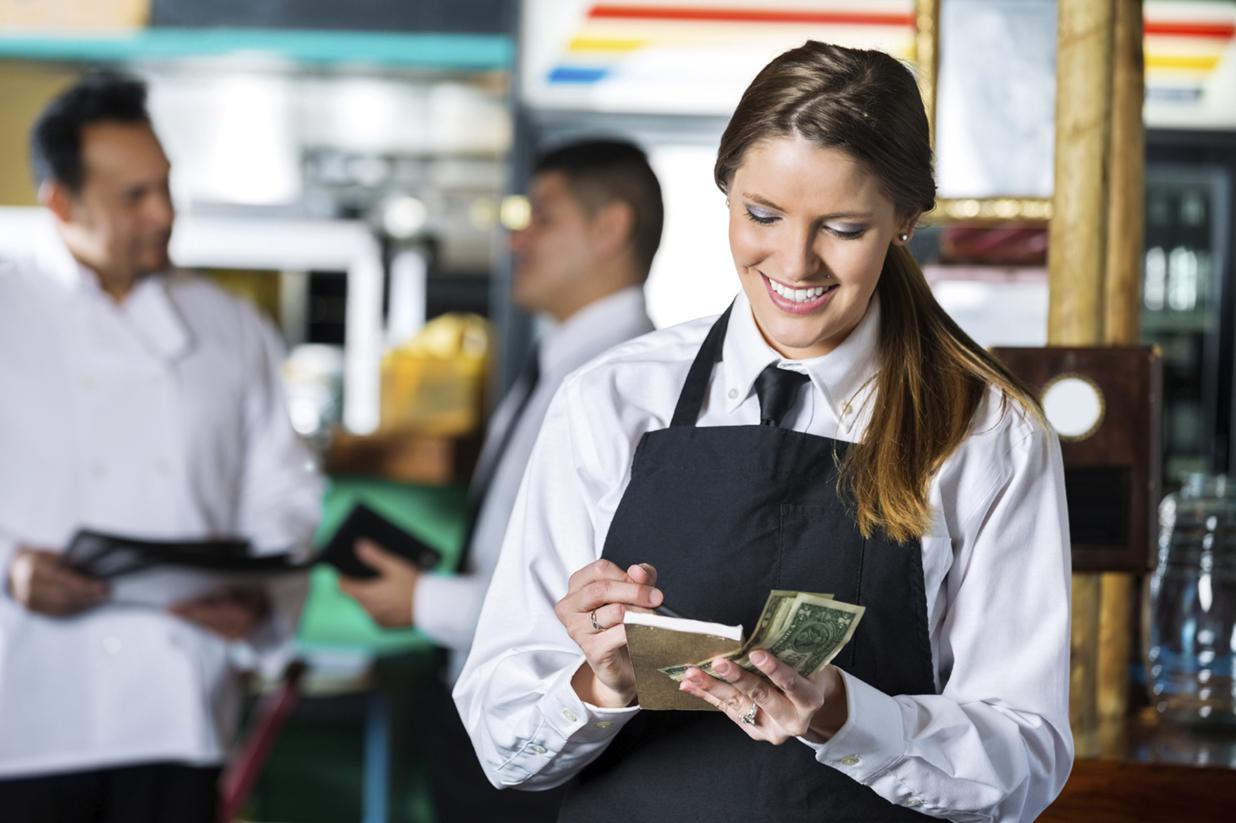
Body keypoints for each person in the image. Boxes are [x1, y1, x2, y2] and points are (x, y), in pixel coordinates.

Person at [454, 41, 1073, 822]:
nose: (795, 261)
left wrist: (840, 712)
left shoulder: (989, 433)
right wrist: (600, 683)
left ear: (905, 221)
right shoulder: (611, 401)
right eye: (762, 215)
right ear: (725, 192)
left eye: (842, 227)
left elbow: (1025, 761)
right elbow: (500, 737)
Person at [0, 74, 321, 822]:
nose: (164, 214)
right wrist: (10, 568)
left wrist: (256, 596)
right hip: (24, 709)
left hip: (176, 711)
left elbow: (284, 488)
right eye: (133, 196)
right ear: (59, 202)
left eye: (166, 188)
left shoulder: (232, 327)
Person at [339, 139, 662, 820]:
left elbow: (599, 597)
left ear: (610, 228)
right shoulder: (556, 363)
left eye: (542, 217)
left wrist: (424, 600)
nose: (518, 238)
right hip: (490, 716)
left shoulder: (632, 385)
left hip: (555, 729)